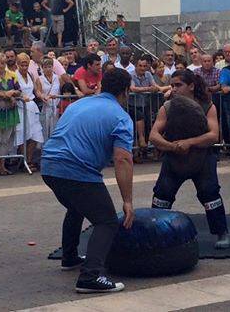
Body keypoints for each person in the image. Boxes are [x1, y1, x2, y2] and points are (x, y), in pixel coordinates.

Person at [41, 69, 134, 294]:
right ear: (125, 92)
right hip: (76, 170)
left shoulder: (78, 104)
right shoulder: (121, 116)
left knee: (76, 207)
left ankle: (70, 257)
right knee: (107, 221)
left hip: (48, 165)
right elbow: (122, 160)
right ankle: (90, 277)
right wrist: (127, 201)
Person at [150, 69, 230, 249]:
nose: (174, 89)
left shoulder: (208, 106)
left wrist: (189, 143)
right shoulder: (168, 107)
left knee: (209, 193)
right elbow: (154, 136)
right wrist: (172, 147)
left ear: (192, 86)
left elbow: (213, 135)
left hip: (202, 158)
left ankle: (222, 232)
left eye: (178, 85)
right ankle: (154, 232)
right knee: (162, 194)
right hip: (174, 158)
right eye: (172, 86)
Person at [15, 53, 44, 171]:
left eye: (26, 64)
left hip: (32, 107)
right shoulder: (14, 76)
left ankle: (29, 159)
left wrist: (43, 96)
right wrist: (21, 96)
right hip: (20, 106)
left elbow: (36, 90)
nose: (24, 67)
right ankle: (24, 160)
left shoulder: (30, 74)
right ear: (17, 64)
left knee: (34, 134)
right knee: (23, 133)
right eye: (22, 64)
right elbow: (15, 90)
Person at [130, 58, 159, 161]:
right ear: (136, 66)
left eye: (144, 66)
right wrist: (147, 89)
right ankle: (136, 152)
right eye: (140, 66)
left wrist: (153, 88)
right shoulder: (131, 74)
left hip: (146, 104)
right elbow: (132, 88)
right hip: (133, 105)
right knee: (135, 128)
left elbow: (155, 86)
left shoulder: (148, 74)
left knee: (148, 125)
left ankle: (144, 151)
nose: (142, 68)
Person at [39, 56, 61, 141]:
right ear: (42, 68)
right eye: (45, 67)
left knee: (55, 130)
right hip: (45, 107)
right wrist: (42, 96)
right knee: (45, 130)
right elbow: (38, 91)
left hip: (56, 107)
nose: (48, 69)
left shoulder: (58, 78)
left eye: (49, 67)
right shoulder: (39, 79)